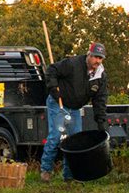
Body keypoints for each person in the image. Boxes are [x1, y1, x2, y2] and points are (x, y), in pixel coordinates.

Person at [40, 41, 108, 182]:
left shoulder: (100, 76)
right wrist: (53, 89)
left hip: (75, 108)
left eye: (100, 58)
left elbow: (100, 100)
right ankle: (46, 170)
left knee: (74, 141)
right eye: (95, 57)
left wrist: (101, 121)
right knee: (56, 136)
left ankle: (69, 176)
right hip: (58, 103)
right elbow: (51, 70)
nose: (97, 61)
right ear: (89, 54)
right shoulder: (72, 64)